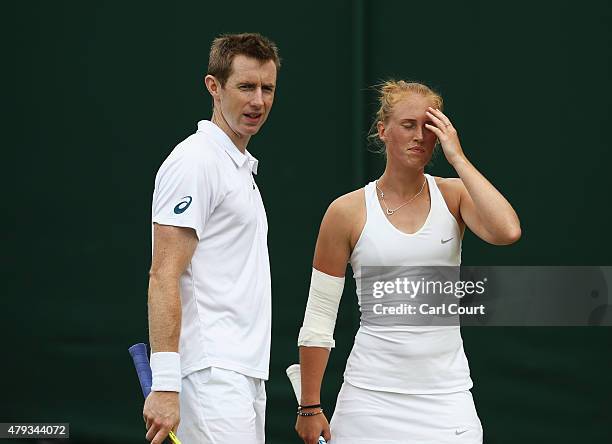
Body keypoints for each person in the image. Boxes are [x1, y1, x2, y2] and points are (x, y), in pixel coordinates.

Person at [295, 80, 521, 444]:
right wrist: (310, 405)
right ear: (383, 131)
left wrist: (458, 158)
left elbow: (507, 231)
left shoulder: (453, 195)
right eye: (408, 125)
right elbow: (319, 316)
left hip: (447, 399)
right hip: (368, 400)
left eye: (428, 126)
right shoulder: (346, 211)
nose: (420, 136)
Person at [143, 33, 280, 444]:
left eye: (267, 88)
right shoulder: (196, 161)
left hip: (243, 373)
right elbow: (163, 275)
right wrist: (166, 383)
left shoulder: (237, 168)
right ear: (214, 87)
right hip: (211, 374)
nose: (258, 101)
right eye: (245, 87)